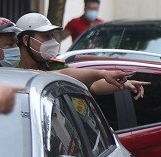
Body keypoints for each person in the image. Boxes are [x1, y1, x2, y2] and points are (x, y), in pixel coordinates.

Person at [12, 12, 147, 99]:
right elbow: (63, 74)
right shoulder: (9, 67)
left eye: (51, 36)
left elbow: (94, 86)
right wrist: (102, 73)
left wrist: (122, 84)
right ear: (25, 40)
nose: (51, 41)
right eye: (45, 36)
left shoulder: (53, 65)